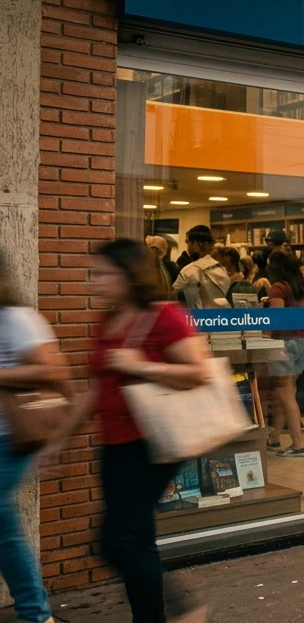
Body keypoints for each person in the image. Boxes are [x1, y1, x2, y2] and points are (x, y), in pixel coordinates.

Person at [83, 239, 210, 623]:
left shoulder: (163, 316)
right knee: (129, 541)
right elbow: (97, 387)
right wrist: (58, 437)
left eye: (104, 273)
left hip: (152, 444)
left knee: (120, 541)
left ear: (128, 276)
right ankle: (174, 612)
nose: (95, 282)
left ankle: (174, 612)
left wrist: (142, 366)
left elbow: (198, 372)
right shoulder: (109, 319)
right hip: (115, 443)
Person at [0, 254, 67, 623]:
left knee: (3, 527)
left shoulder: (17, 319)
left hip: (9, 438)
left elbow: (53, 369)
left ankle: (36, 614)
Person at [260, 251, 304, 457]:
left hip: (284, 343)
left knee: (286, 395)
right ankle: (275, 438)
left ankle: (298, 444)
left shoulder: (278, 288)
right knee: (285, 391)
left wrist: (265, 338)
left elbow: (276, 318)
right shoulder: (300, 288)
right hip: (302, 342)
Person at [171, 226, 230, 309]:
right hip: (222, 319)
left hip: (198, 319)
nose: (188, 247)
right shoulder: (222, 270)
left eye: (188, 242)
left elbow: (171, 297)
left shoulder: (189, 271)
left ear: (196, 243)